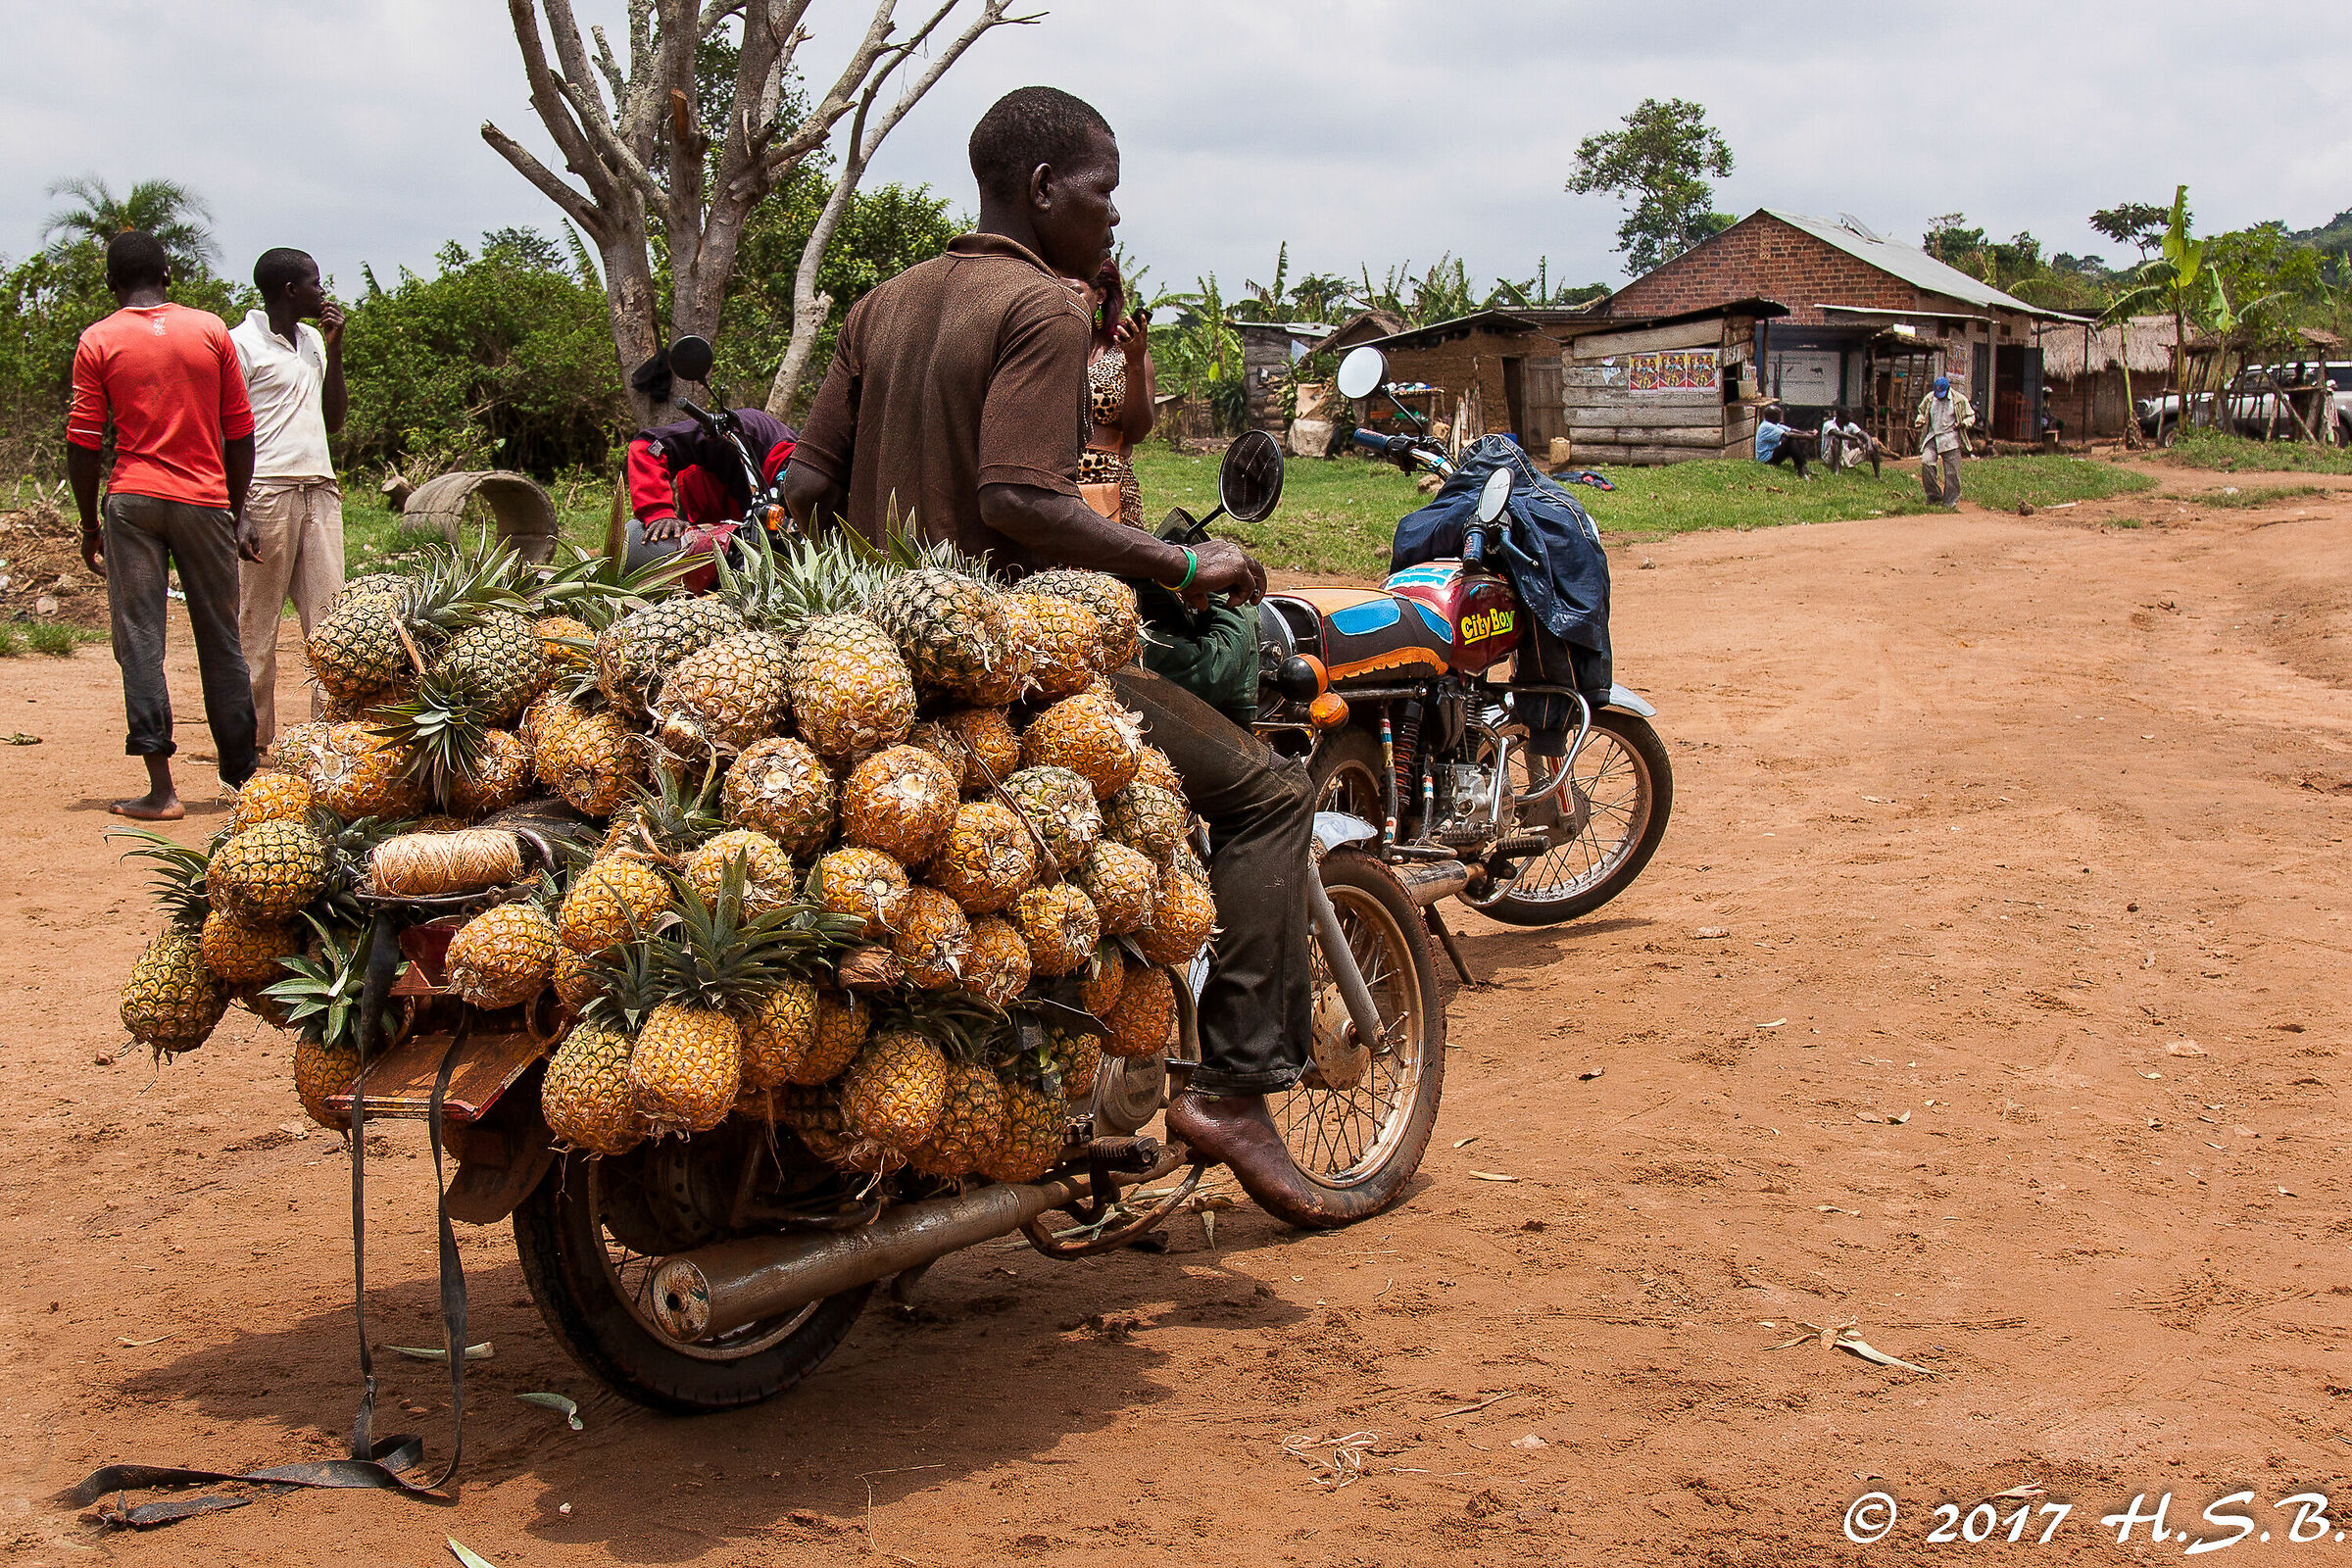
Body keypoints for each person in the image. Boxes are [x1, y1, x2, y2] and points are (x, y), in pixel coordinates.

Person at [784, 86, 1334, 1221]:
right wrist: (1183, 566)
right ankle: (1233, 1089)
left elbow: (803, 486)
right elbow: (1021, 497)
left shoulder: (883, 304)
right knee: (1272, 796)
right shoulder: (1038, 306)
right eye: (1104, 193)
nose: (1114, 217)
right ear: (1042, 190)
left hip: (870, 671)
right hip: (1011, 668)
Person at [67, 230, 259, 819]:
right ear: (169, 276)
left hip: (133, 501)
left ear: (110, 283)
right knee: (221, 639)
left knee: (140, 639)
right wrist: (234, 506)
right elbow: (239, 430)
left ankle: (162, 789)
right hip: (205, 501)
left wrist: (87, 524)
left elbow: (83, 441)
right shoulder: (209, 330)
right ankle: (245, 783)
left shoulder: (98, 339)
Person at [230, 247, 346, 750]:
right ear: (288, 290)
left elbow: (334, 419)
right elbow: (225, 430)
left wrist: (337, 350)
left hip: (320, 490)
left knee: (331, 621)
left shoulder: (315, 342)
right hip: (266, 492)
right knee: (256, 623)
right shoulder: (240, 344)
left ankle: (329, 737)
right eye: (315, 283)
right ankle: (252, 743)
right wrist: (236, 510)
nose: (323, 291)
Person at [622, 398, 795, 589]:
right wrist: (658, 512)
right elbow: (646, 446)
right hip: (697, 512)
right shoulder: (744, 432)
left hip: (729, 537)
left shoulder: (813, 495)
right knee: (642, 544)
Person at [1073, 258, 1154, 527]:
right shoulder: (1051, 349)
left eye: (1075, 292)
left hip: (1111, 493)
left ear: (1100, 294)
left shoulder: (1126, 354)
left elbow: (1138, 432)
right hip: (1056, 489)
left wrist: (1135, 364)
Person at [1914, 373, 1976, 509]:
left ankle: (1950, 501)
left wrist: (1964, 423)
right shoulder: (1930, 398)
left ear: (1948, 389)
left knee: (1952, 472)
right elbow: (1921, 411)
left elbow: (1970, 416)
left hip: (1950, 437)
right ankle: (1934, 495)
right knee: (1926, 462)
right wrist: (1920, 419)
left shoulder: (1959, 400)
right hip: (1933, 435)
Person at [1753, 403, 1814, 478]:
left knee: (1794, 438)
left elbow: (1791, 430)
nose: (1780, 418)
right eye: (1778, 416)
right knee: (1791, 440)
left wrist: (1806, 432)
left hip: (1772, 454)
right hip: (1766, 459)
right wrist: (1806, 436)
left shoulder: (1774, 423)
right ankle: (1801, 469)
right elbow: (1787, 434)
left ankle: (1802, 466)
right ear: (1772, 416)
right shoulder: (1766, 426)